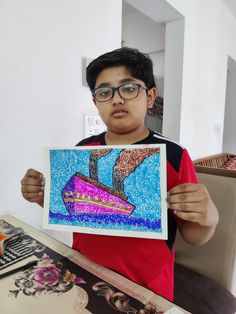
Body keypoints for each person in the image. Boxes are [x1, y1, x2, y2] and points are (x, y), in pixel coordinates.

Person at [21, 47, 219, 301]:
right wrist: (42, 198)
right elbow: (73, 211)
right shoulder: (83, 149)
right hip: (84, 273)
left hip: (147, 287)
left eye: (128, 88)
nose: (116, 99)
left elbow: (192, 235)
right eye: (105, 92)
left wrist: (209, 217)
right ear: (96, 102)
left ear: (150, 97)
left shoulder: (174, 155)